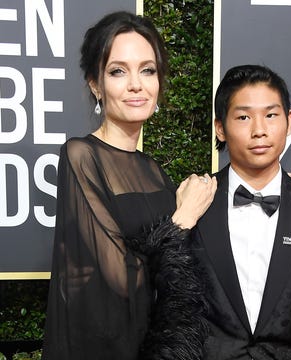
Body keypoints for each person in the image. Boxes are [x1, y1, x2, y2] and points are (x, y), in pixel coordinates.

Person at [41, 11, 218, 360]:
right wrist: (182, 219)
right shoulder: (80, 156)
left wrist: (290, 184)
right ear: (95, 84)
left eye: (147, 70)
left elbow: (182, 272)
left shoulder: (153, 170)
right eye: (118, 71)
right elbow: (120, 280)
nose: (136, 84)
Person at [192, 64, 291, 359]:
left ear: (289, 121)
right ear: (220, 128)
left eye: (271, 115)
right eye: (243, 117)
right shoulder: (194, 205)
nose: (259, 130)